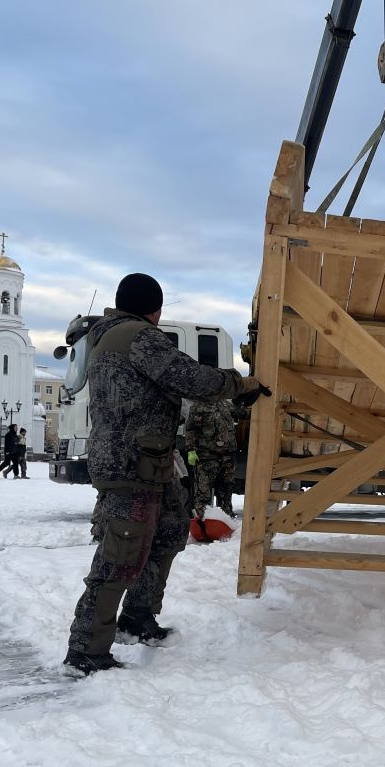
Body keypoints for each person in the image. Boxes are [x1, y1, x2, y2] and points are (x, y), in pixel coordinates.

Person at [63, 272, 269, 677]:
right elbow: (193, 378)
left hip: (150, 461)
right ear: (154, 310)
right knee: (119, 555)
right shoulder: (138, 337)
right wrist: (243, 384)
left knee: (171, 529)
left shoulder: (111, 335)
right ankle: (86, 650)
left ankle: (137, 616)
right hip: (131, 464)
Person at [185, 398, 243, 519]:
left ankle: (226, 518)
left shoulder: (225, 404)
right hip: (207, 456)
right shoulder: (198, 407)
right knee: (203, 491)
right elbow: (191, 430)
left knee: (226, 489)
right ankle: (201, 520)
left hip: (228, 456)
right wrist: (191, 450)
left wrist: (247, 398)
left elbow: (241, 413)